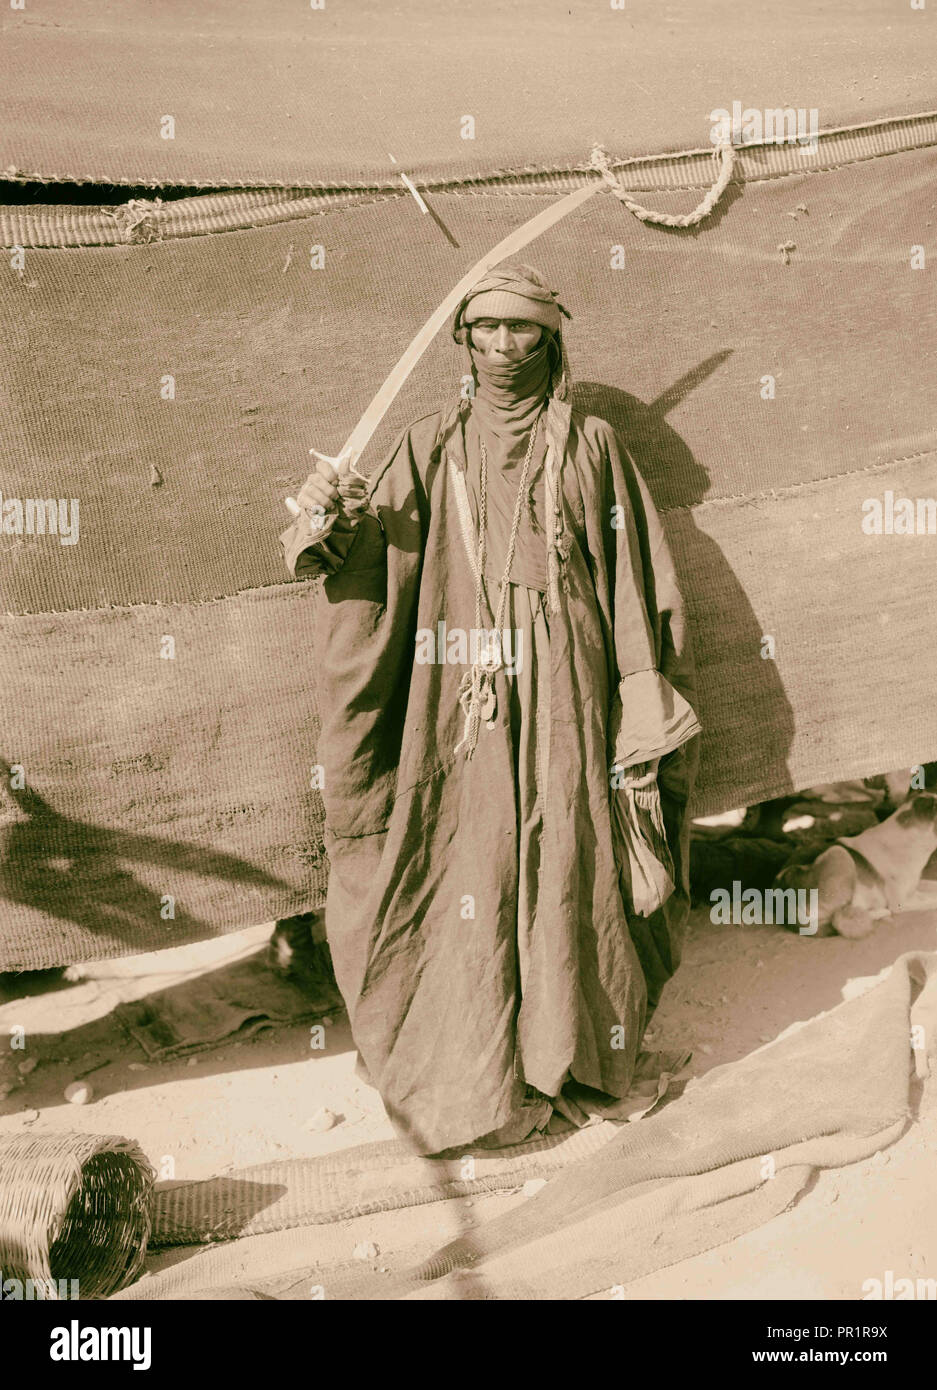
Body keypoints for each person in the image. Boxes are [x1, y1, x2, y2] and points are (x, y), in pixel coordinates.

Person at [280, 263, 701, 1155]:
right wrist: (329, 522)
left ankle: (569, 1054)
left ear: (552, 339)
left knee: (567, 852)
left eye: (524, 330)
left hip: (567, 688)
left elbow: (631, 582)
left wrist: (637, 689)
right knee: (471, 858)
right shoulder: (430, 445)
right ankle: (472, 1069)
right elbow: (369, 556)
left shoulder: (590, 445)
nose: (506, 347)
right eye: (489, 330)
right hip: (462, 691)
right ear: (463, 342)